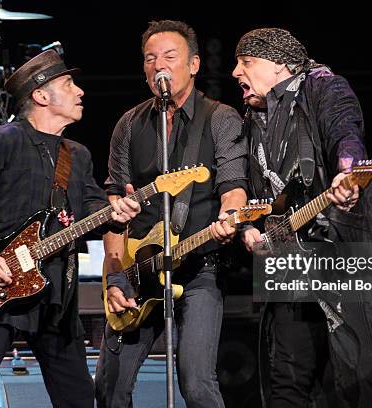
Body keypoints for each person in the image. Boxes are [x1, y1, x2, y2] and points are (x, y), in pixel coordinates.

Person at [232, 28, 372, 407]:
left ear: (278, 65)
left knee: (370, 373)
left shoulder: (324, 87)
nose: (236, 71)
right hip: (293, 264)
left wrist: (347, 171)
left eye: (246, 61)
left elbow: (345, 131)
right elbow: (261, 193)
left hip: (345, 248)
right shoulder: (254, 120)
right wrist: (250, 228)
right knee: (288, 378)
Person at [0, 49, 141, 408]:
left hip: (55, 296)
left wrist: (117, 211)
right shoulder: (4, 140)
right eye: (68, 84)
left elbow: (94, 208)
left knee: (79, 398)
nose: (80, 91)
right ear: (41, 95)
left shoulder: (77, 154)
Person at [94, 20, 248, 408]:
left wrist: (231, 215)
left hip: (199, 267)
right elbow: (114, 206)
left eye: (169, 56)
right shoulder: (129, 124)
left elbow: (233, 185)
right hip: (138, 270)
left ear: (194, 65)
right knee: (109, 388)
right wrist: (115, 276)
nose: (158, 65)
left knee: (196, 385)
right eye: (150, 58)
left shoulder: (220, 118)